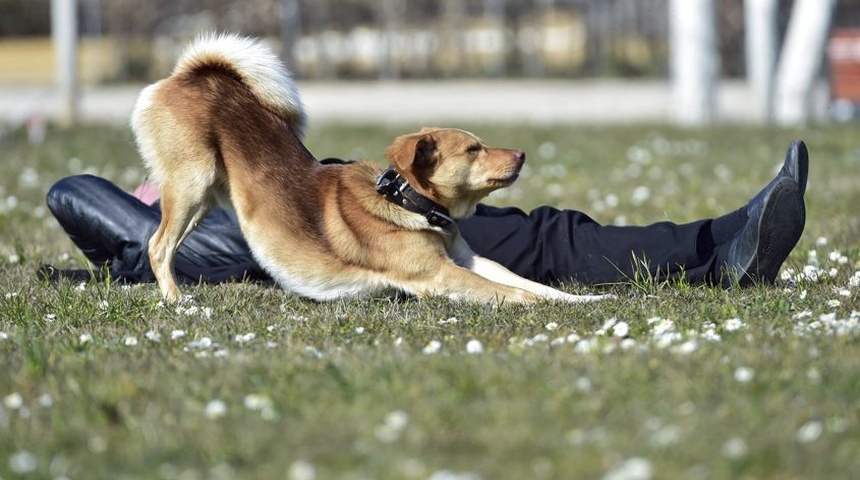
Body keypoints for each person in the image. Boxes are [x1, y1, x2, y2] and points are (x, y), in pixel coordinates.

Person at [40, 141, 808, 290]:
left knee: (541, 231)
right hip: (344, 241)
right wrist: (160, 202)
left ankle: (721, 244)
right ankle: (723, 251)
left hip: (348, 201)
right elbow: (70, 190)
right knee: (544, 239)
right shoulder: (168, 249)